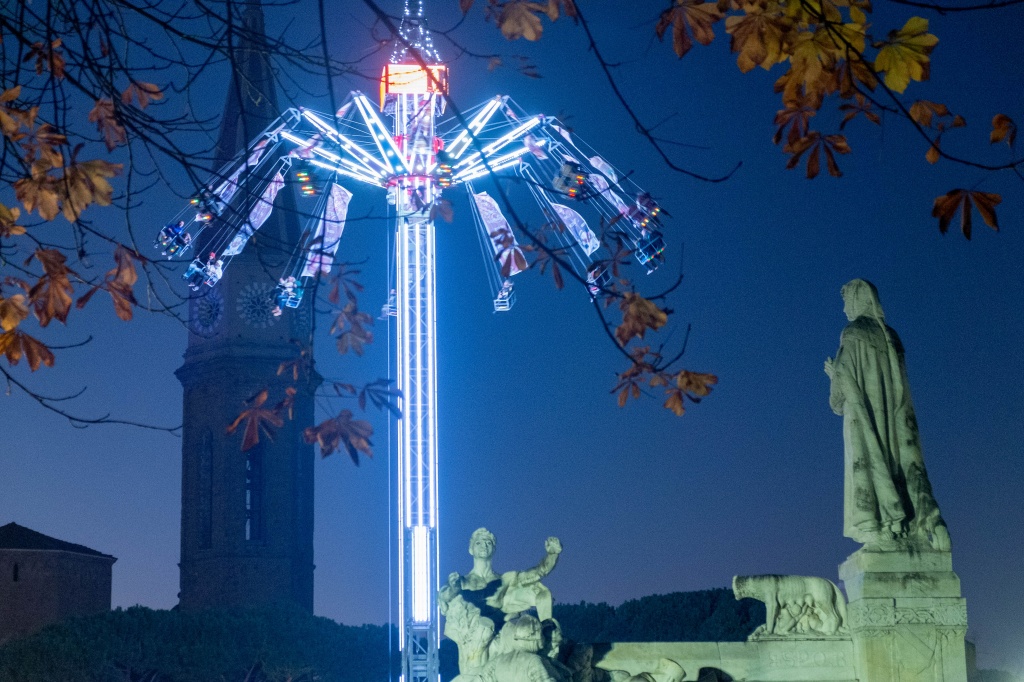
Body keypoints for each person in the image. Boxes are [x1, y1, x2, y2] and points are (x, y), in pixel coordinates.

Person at [825, 279, 951, 551]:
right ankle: (915, 522)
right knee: (904, 466)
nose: (846, 309)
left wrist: (833, 376)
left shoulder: (853, 332)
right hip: (898, 421)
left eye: (847, 302)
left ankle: (877, 525)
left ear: (858, 300)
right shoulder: (891, 335)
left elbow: (841, 391)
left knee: (869, 461)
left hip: (865, 420)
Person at [440, 529, 562, 625]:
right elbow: (444, 598)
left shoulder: (505, 580)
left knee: (539, 590)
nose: (484, 545)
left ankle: (548, 630)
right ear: (471, 549)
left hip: (503, 635)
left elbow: (538, 572)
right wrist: (453, 588)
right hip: (473, 641)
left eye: (488, 543)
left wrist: (552, 554)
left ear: (493, 549)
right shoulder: (460, 581)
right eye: (478, 543)